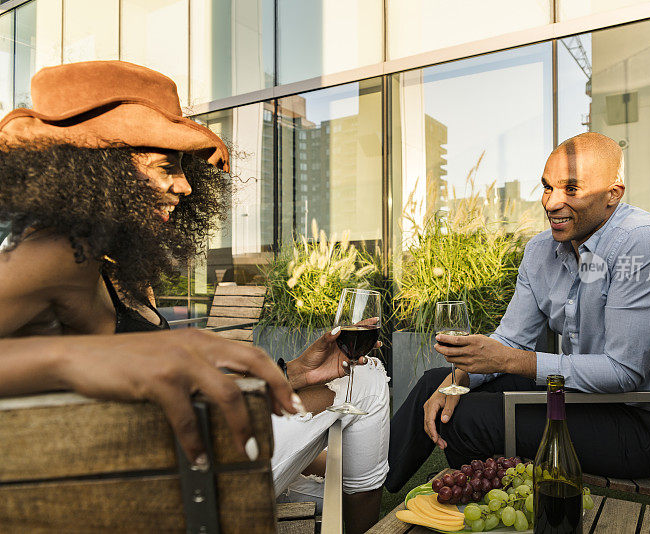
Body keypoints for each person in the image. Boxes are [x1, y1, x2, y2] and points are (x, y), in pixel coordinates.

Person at [0, 60, 388, 534]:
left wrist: (292, 373)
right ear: (99, 169)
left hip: (174, 462)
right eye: (167, 165)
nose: (185, 185)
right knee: (365, 386)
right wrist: (67, 359)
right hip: (164, 495)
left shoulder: (111, 264)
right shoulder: (56, 252)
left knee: (343, 425)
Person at [386, 132, 650, 491]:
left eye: (571, 190)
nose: (551, 202)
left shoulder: (645, 245)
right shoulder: (540, 251)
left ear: (613, 194)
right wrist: (464, 374)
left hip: (640, 424)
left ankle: (496, 513)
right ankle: (367, 488)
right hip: (578, 398)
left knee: (466, 417)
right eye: (547, 187)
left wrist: (510, 360)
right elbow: (512, 338)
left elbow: (623, 372)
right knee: (435, 385)